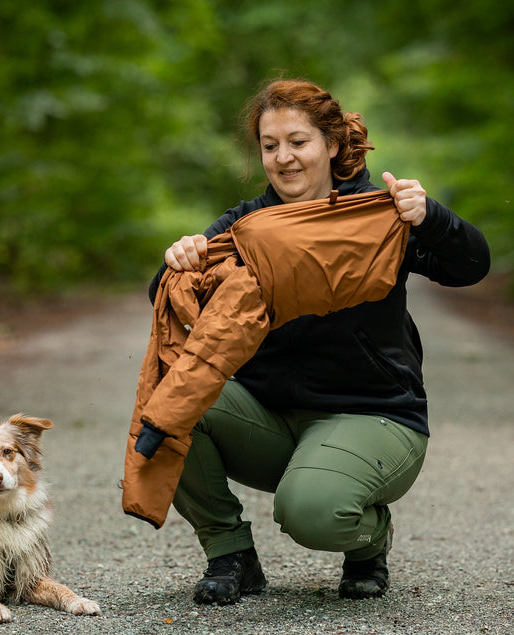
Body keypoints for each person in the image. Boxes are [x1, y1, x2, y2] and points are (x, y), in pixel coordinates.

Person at [148, 77, 490, 604]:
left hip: (373, 416)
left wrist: (431, 217)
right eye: (269, 145)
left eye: (298, 142)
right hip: (269, 418)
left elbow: (470, 266)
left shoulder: (378, 217)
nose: (284, 158)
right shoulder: (245, 225)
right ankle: (230, 552)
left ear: (331, 144)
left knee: (313, 514)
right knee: (169, 396)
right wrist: (181, 260)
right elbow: (167, 299)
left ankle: (368, 539)